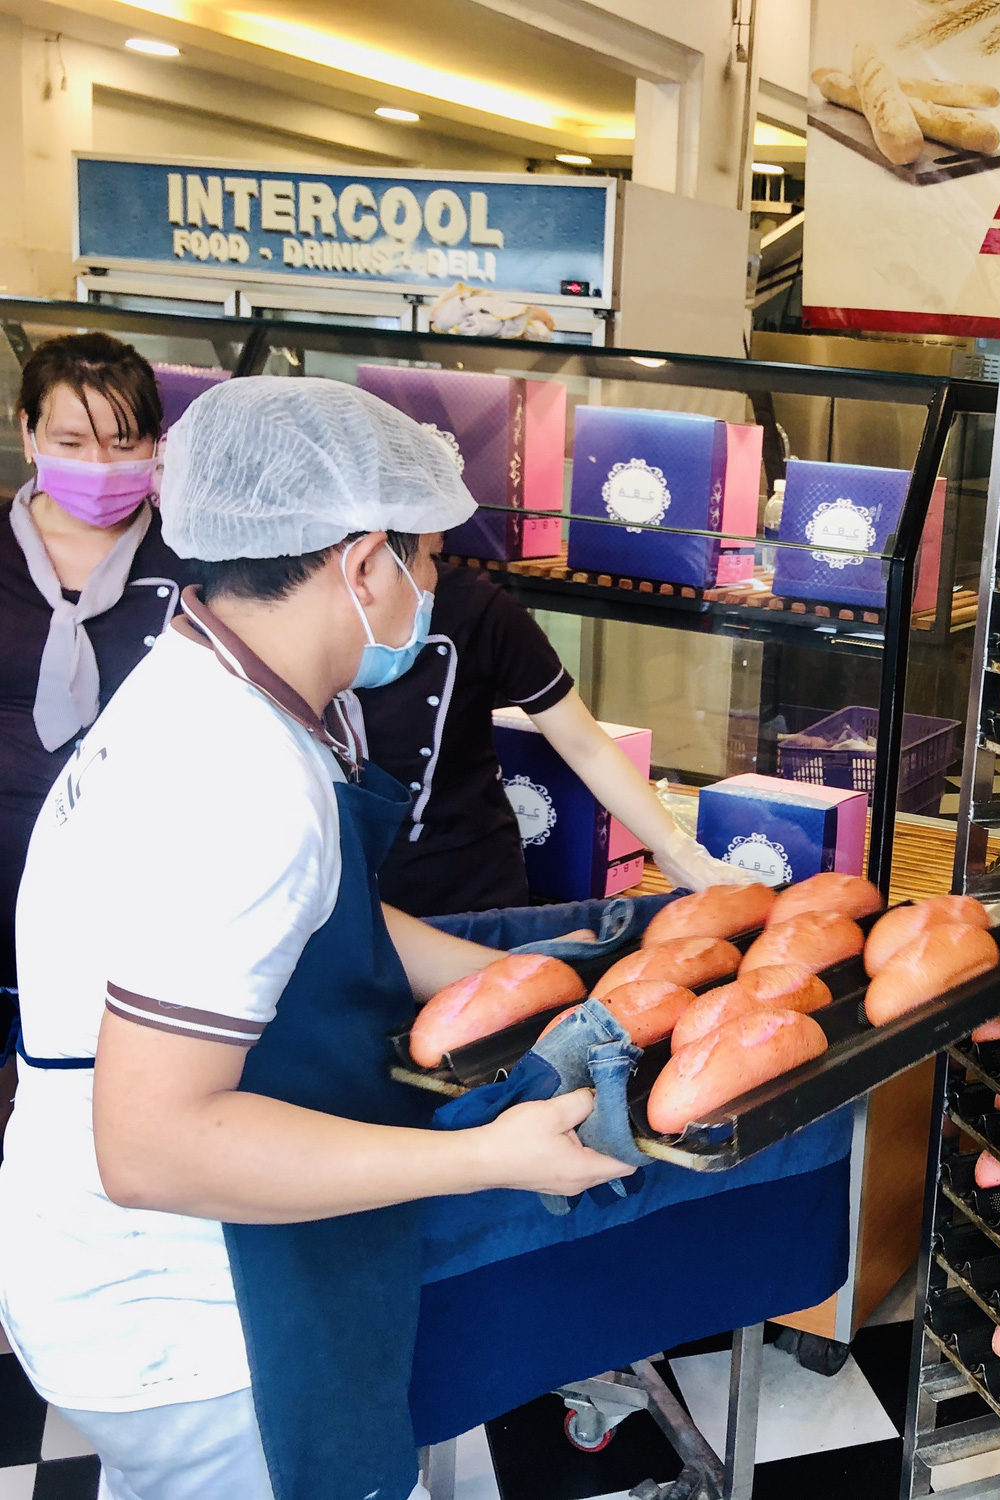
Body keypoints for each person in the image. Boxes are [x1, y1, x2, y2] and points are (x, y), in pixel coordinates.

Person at [0, 377, 630, 1500]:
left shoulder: (206, 674)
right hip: (194, 1315)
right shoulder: (237, 777)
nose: (434, 591)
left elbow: (310, 916)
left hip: (99, 1263)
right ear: (360, 561)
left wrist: (518, 979)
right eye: (426, 561)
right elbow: (154, 1150)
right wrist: (489, 1158)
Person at [337, 559, 737, 917]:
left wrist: (675, 850)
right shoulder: (305, 626)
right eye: (423, 552)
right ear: (365, 559)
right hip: (344, 889)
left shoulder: (479, 609)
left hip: (470, 890)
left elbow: (587, 745)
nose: (435, 562)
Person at [1, 334, 189, 1091]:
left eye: (124, 441)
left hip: (130, 883)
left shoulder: (193, 560)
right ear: (27, 435)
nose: (102, 465)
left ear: (157, 444)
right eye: (72, 441)